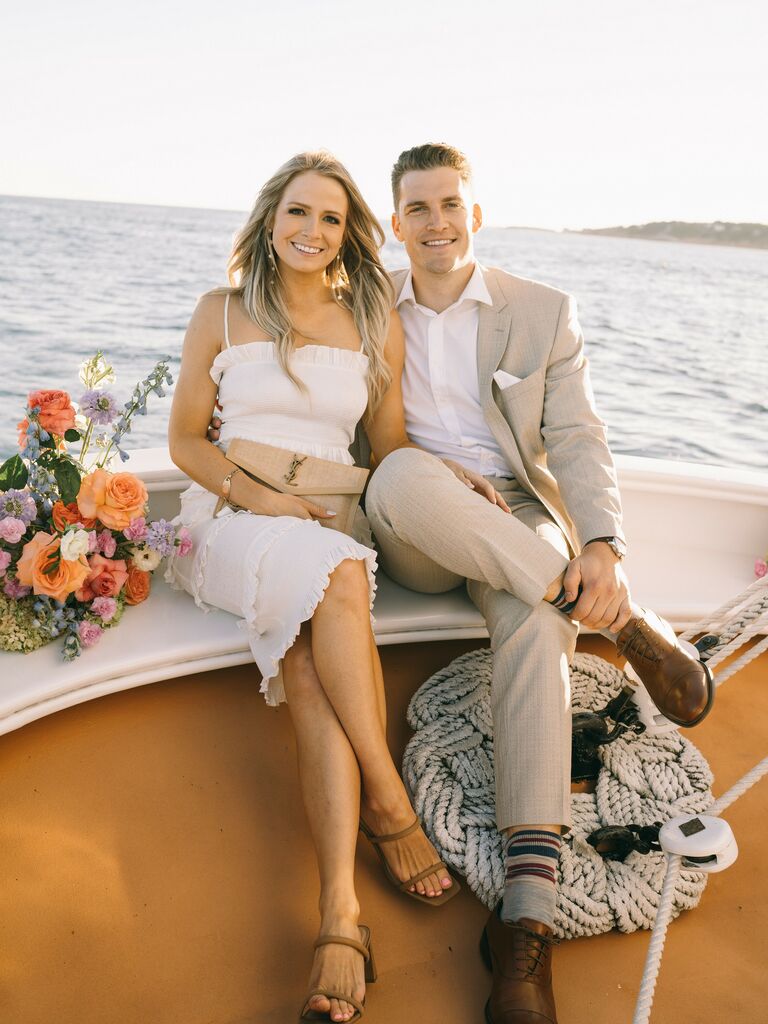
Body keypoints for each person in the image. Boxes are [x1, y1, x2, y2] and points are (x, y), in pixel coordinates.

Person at [358, 144, 714, 1024]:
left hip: (521, 514)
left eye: (451, 204)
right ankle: (623, 628)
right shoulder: (367, 309)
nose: (436, 222)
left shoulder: (543, 311)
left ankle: (525, 924)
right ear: (394, 222)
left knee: (536, 615)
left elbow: (580, 437)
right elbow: (361, 437)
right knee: (399, 476)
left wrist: (602, 544)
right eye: (417, 208)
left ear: (475, 215)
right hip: (423, 520)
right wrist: (438, 469)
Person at [166, 151, 459, 1024]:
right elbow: (185, 441)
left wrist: (452, 484)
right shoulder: (221, 311)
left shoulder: (371, 319)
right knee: (329, 573)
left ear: (348, 234)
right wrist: (263, 498)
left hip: (325, 524)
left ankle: (340, 908)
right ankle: (389, 799)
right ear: (269, 218)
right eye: (299, 211)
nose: (312, 230)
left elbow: (390, 441)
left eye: (332, 219)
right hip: (226, 517)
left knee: (309, 655)